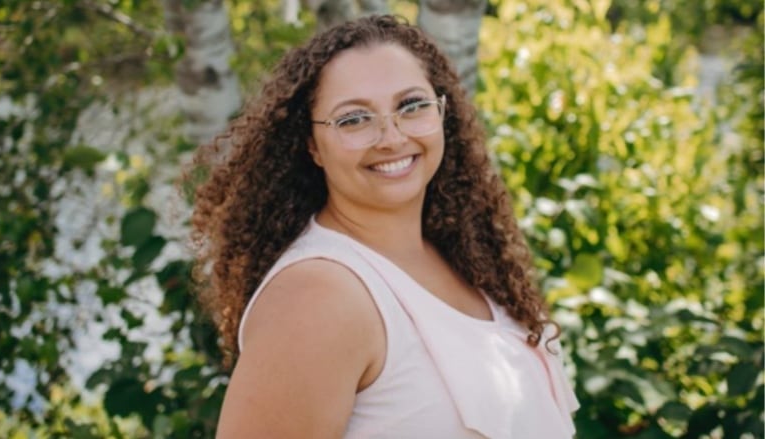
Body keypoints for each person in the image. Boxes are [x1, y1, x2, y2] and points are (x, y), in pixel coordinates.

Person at [190, 14, 579, 438]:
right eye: (354, 119)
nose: (391, 137)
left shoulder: (462, 256)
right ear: (311, 145)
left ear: (442, 112)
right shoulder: (318, 296)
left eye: (411, 107)